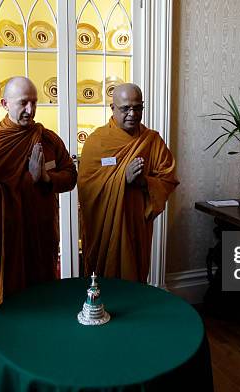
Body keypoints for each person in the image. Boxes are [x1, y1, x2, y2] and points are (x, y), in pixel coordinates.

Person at [0, 77, 77, 320]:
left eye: (34, 103)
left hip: (41, 231)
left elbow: (70, 176)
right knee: (8, 301)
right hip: (5, 234)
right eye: (23, 103)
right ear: (5, 103)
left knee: (42, 293)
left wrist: (45, 178)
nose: (30, 110)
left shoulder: (47, 138)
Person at [78, 83, 179, 281]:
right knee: (102, 280)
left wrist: (143, 182)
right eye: (125, 108)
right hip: (104, 228)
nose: (132, 113)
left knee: (134, 274)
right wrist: (122, 178)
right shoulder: (96, 142)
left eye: (138, 107)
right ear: (112, 108)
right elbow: (86, 187)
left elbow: (168, 178)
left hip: (136, 225)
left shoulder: (151, 140)